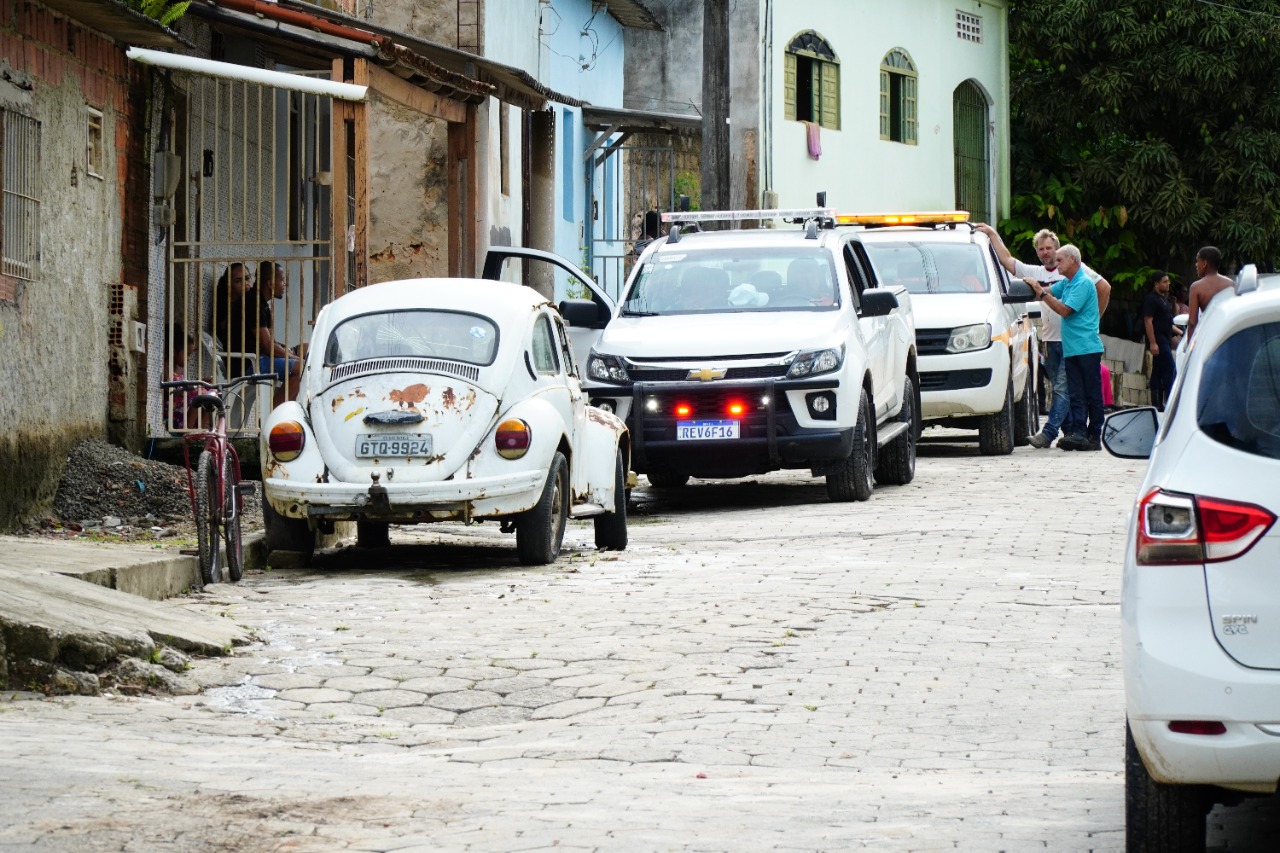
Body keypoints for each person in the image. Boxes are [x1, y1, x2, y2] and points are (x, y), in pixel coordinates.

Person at [976, 224, 1110, 448]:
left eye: (1051, 250)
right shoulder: (1053, 278)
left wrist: (1092, 321)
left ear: (1062, 253)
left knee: (1068, 390)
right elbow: (1008, 262)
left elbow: (1099, 290)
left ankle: (1054, 433)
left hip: (1081, 343)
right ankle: (1074, 433)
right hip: (1057, 342)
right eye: (1041, 249)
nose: (1048, 255)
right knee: (1071, 391)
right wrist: (991, 234)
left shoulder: (1080, 276)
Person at [1028, 244, 1104, 451]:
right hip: (1072, 349)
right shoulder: (1068, 283)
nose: (1056, 263)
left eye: (1060, 260)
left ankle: (1094, 435)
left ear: (1072, 260)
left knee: (1091, 393)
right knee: (1076, 393)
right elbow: (1047, 292)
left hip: (1087, 348)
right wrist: (1032, 288)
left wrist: (1042, 295)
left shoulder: (1083, 283)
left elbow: (1064, 310)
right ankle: (1079, 433)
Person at [253, 261, 304, 408]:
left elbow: (271, 341)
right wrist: (294, 357)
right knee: (301, 368)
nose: (284, 285)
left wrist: (286, 351)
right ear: (270, 283)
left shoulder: (263, 305)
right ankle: (272, 417)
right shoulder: (254, 304)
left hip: (260, 358)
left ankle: (280, 413)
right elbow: (268, 346)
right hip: (249, 363)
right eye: (282, 280)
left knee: (303, 360)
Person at [1141, 270, 1181, 410]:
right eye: (1164, 281)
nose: (1168, 284)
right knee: (1169, 368)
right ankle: (1170, 401)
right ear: (1156, 284)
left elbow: (1169, 322)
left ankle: (1157, 403)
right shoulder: (1151, 299)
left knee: (1157, 370)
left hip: (1166, 338)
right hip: (1158, 340)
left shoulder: (1164, 299)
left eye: (1168, 281)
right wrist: (1152, 342)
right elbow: (1148, 321)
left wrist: (1183, 333)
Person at [1186, 246, 1234, 341]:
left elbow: (1192, 322)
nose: (1196, 265)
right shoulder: (1231, 284)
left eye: (1197, 261)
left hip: (1208, 336)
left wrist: (1189, 347)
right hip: (1227, 334)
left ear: (1204, 263)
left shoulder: (1196, 287)